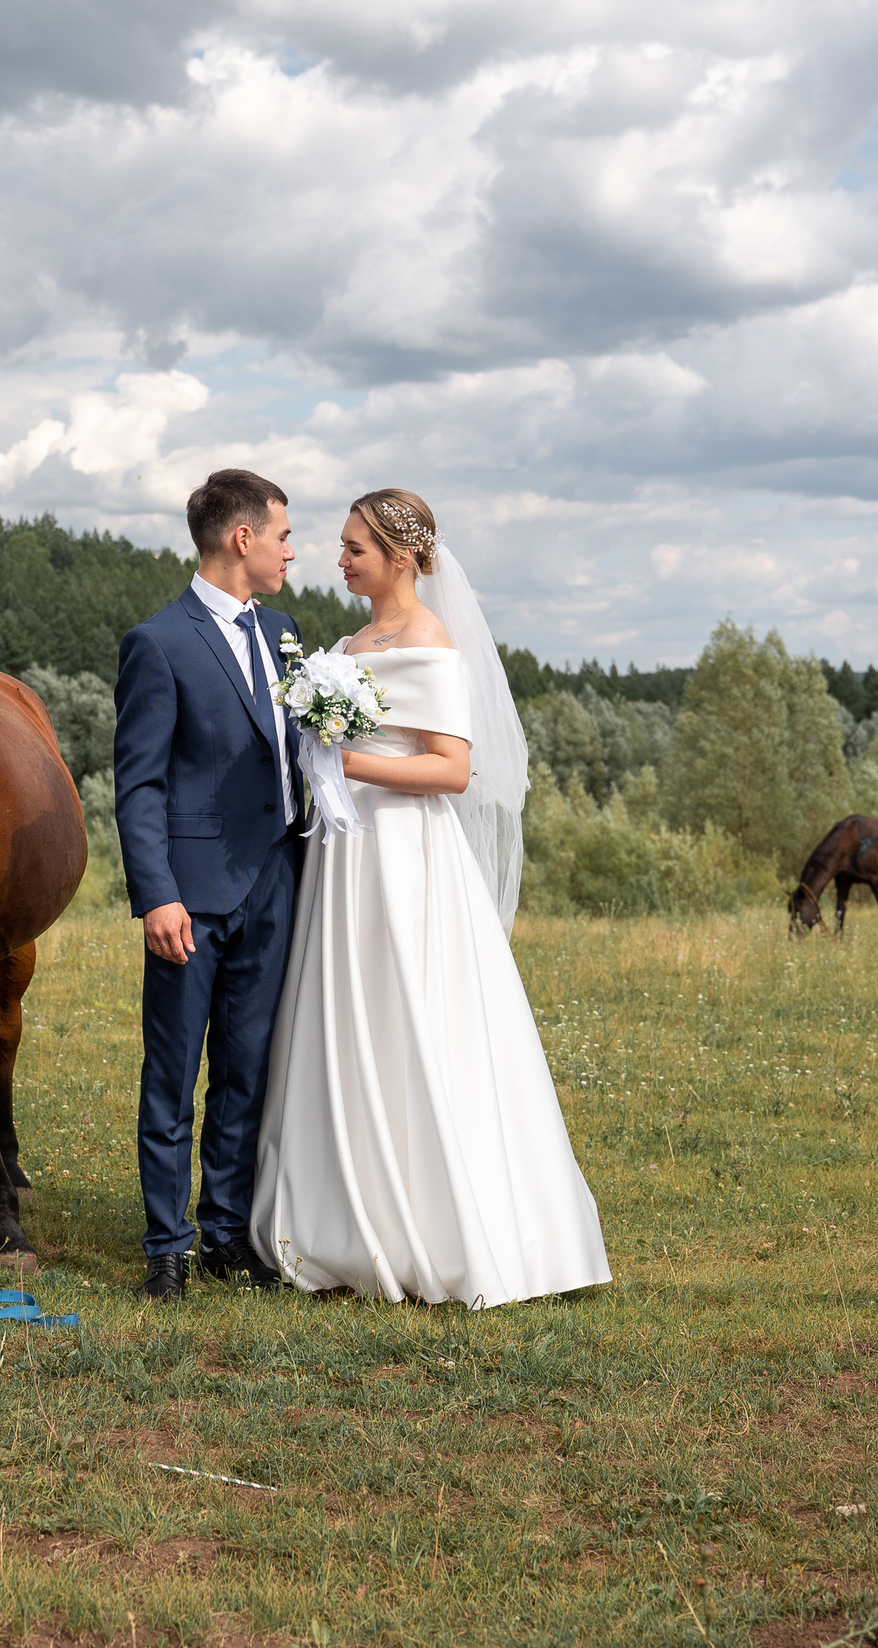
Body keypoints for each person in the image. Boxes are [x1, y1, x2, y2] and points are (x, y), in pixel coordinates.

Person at [249, 489, 610, 1308]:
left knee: (409, 1010)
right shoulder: (348, 645)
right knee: (345, 1013)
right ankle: (339, 1212)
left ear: (402, 556)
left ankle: (439, 1220)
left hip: (406, 855)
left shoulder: (430, 641)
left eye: (355, 548)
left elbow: (452, 769)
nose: (340, 560)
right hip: (344, 855)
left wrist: (345, 760)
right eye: (342, 546)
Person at [113, 468, 306, 1301]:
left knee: (245, 1069)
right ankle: (167, 1248)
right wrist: (157, 894)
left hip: (277, 883)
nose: (291, 552)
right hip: (189, 898)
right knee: (172, 1075)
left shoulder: (286, 633)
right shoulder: (158, 643)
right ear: (242, 537)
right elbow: (139, 784)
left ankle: (227, 1233)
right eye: (284, 536)